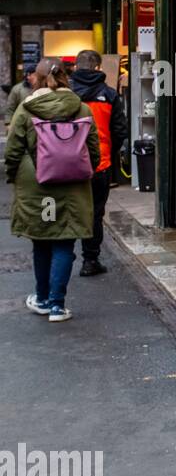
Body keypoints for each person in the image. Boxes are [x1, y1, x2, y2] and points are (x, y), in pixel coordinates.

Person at [4, 59, 100, 322]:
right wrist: (83, 172)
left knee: (42, 241)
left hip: (37, 184)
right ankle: (58, 306)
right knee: (64, 241)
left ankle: (42, 298)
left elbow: (13, 150)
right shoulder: (81, 109)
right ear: (67, 77)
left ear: (37, 78)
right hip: (72, 186)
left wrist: (13, 175)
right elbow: (93, 150)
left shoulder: (26, 109)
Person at [69, 49, 127, 276]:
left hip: (67, 164)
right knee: (95, 213)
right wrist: (110, 155)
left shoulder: (67, 93)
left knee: (69, 210)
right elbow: (120, 130)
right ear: (98, 68)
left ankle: (64, 255)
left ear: (75, 67)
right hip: (99, 164)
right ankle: (90, 260)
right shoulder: (110, 94)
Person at [4, 61, 38, 126]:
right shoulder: (17, 89)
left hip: (39, 125)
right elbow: (10, 108)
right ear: (28, 75)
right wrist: (8, 123)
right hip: (22, 124)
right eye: (36, 75)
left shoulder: (43, 88)